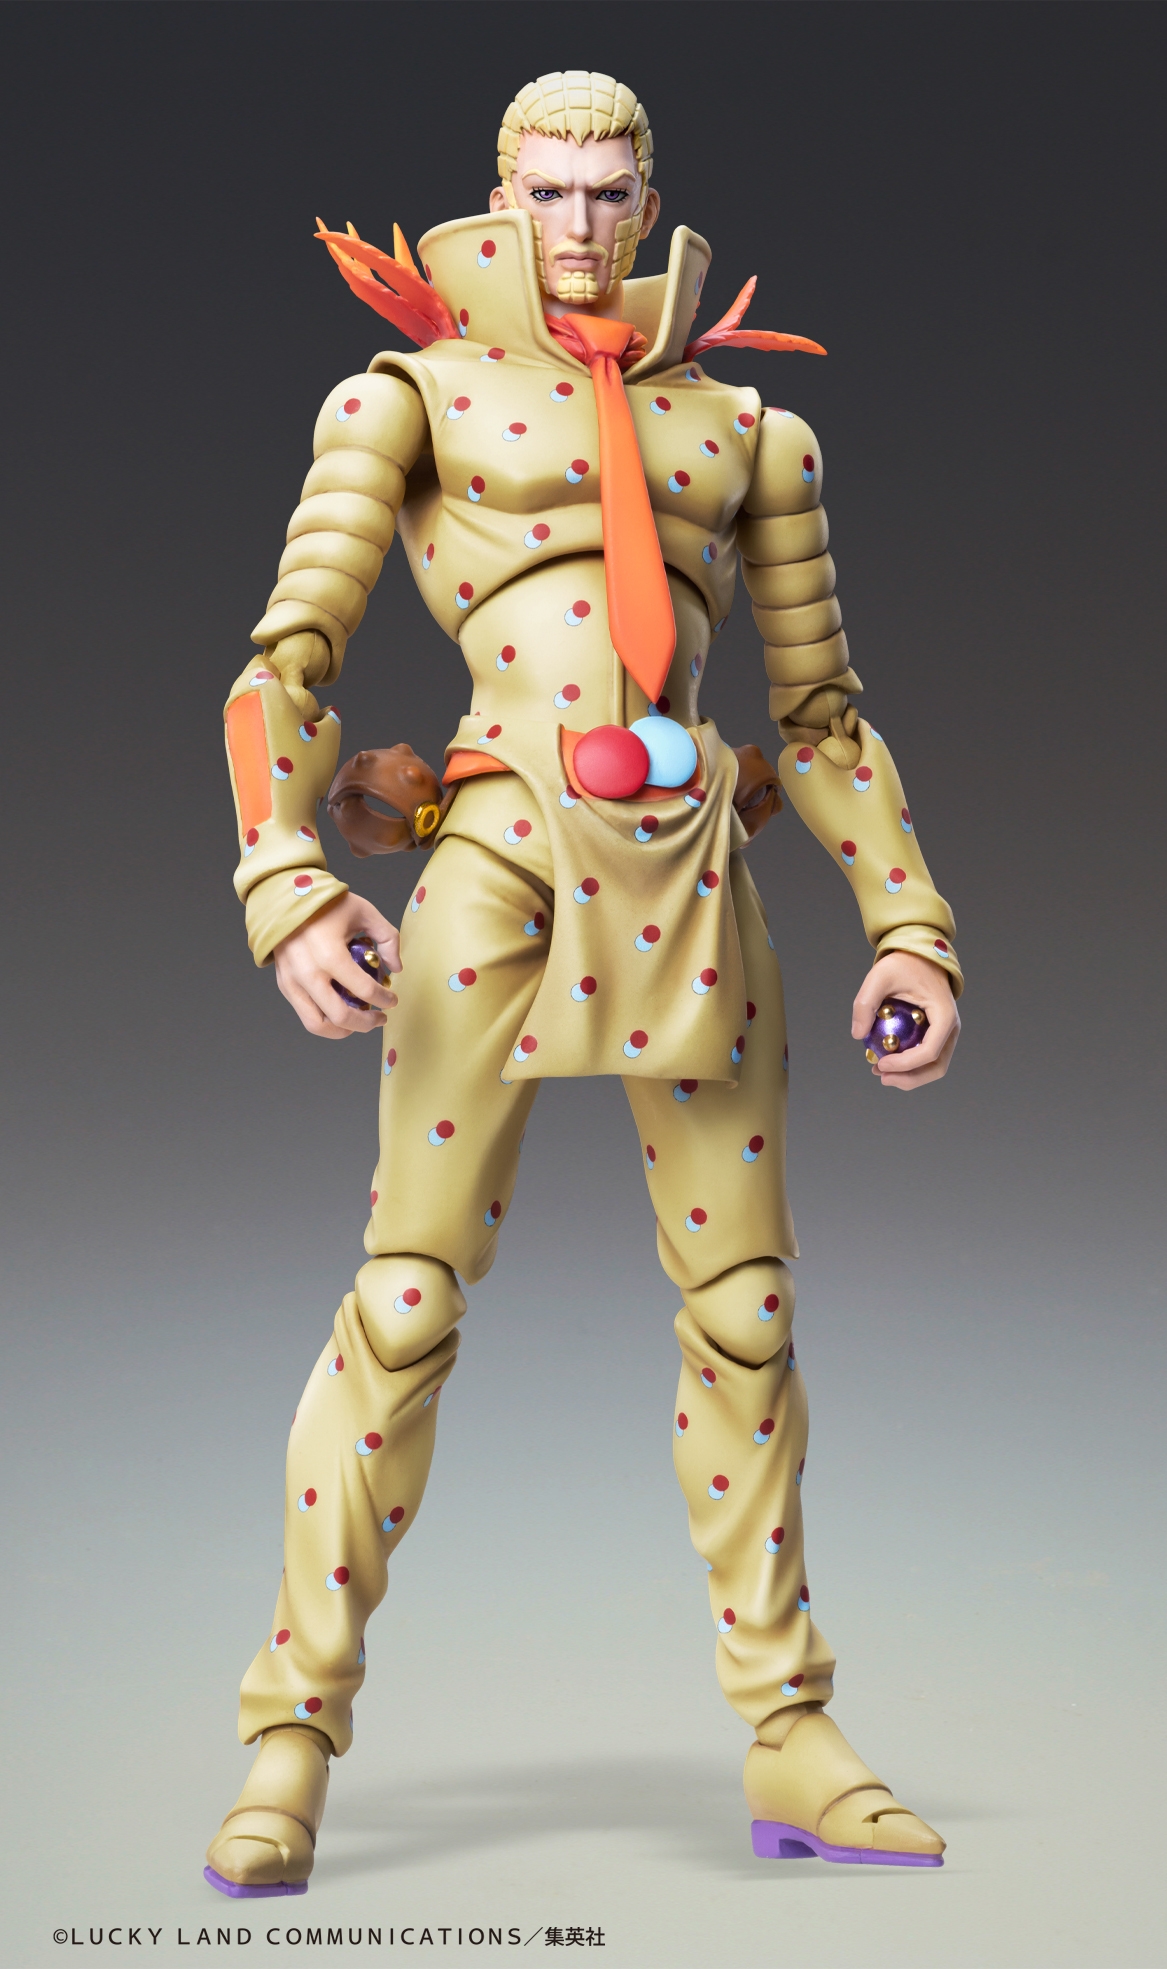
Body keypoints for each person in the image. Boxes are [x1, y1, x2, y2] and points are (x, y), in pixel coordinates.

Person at [206, 69, 962, 1897]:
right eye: (546, 190)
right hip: (495, 860)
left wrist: (911, 921)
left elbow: (821, 716)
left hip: (695, 870)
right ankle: (288, 1735)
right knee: (403, 1299)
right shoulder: (407, 396)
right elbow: (285, 663)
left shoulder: (752, 433)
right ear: (501, 195)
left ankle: (790, 1727)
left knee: (749, 1311)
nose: (578, 222)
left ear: (649, 198)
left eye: (608, 189)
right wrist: (284, 876)